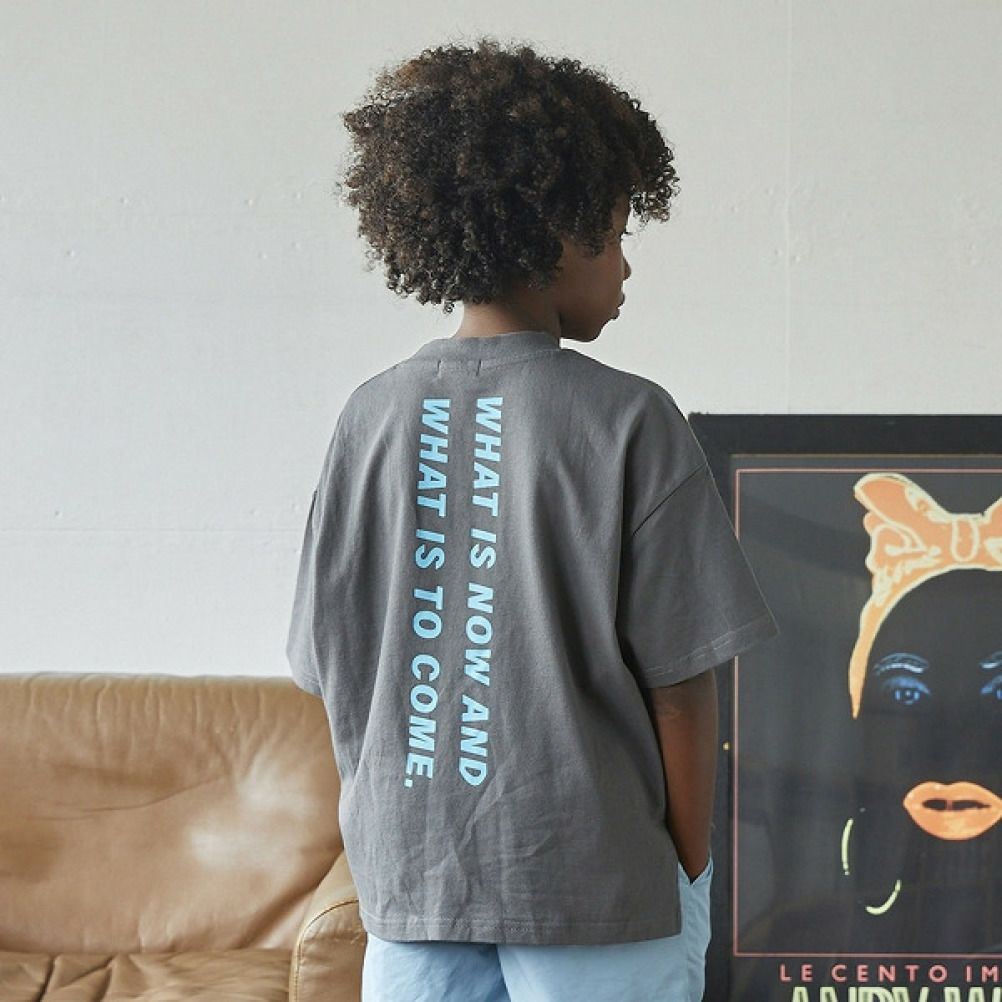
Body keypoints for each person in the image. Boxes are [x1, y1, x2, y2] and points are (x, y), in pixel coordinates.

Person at [285, 35, 779, 1002]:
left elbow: (332, 667)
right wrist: (688, 870)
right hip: (599, 891)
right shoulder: (630, 419)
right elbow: (684, 690)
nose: (627, 269)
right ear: (559, 229)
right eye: (619, 233)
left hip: (413, 888)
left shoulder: (369, 417)